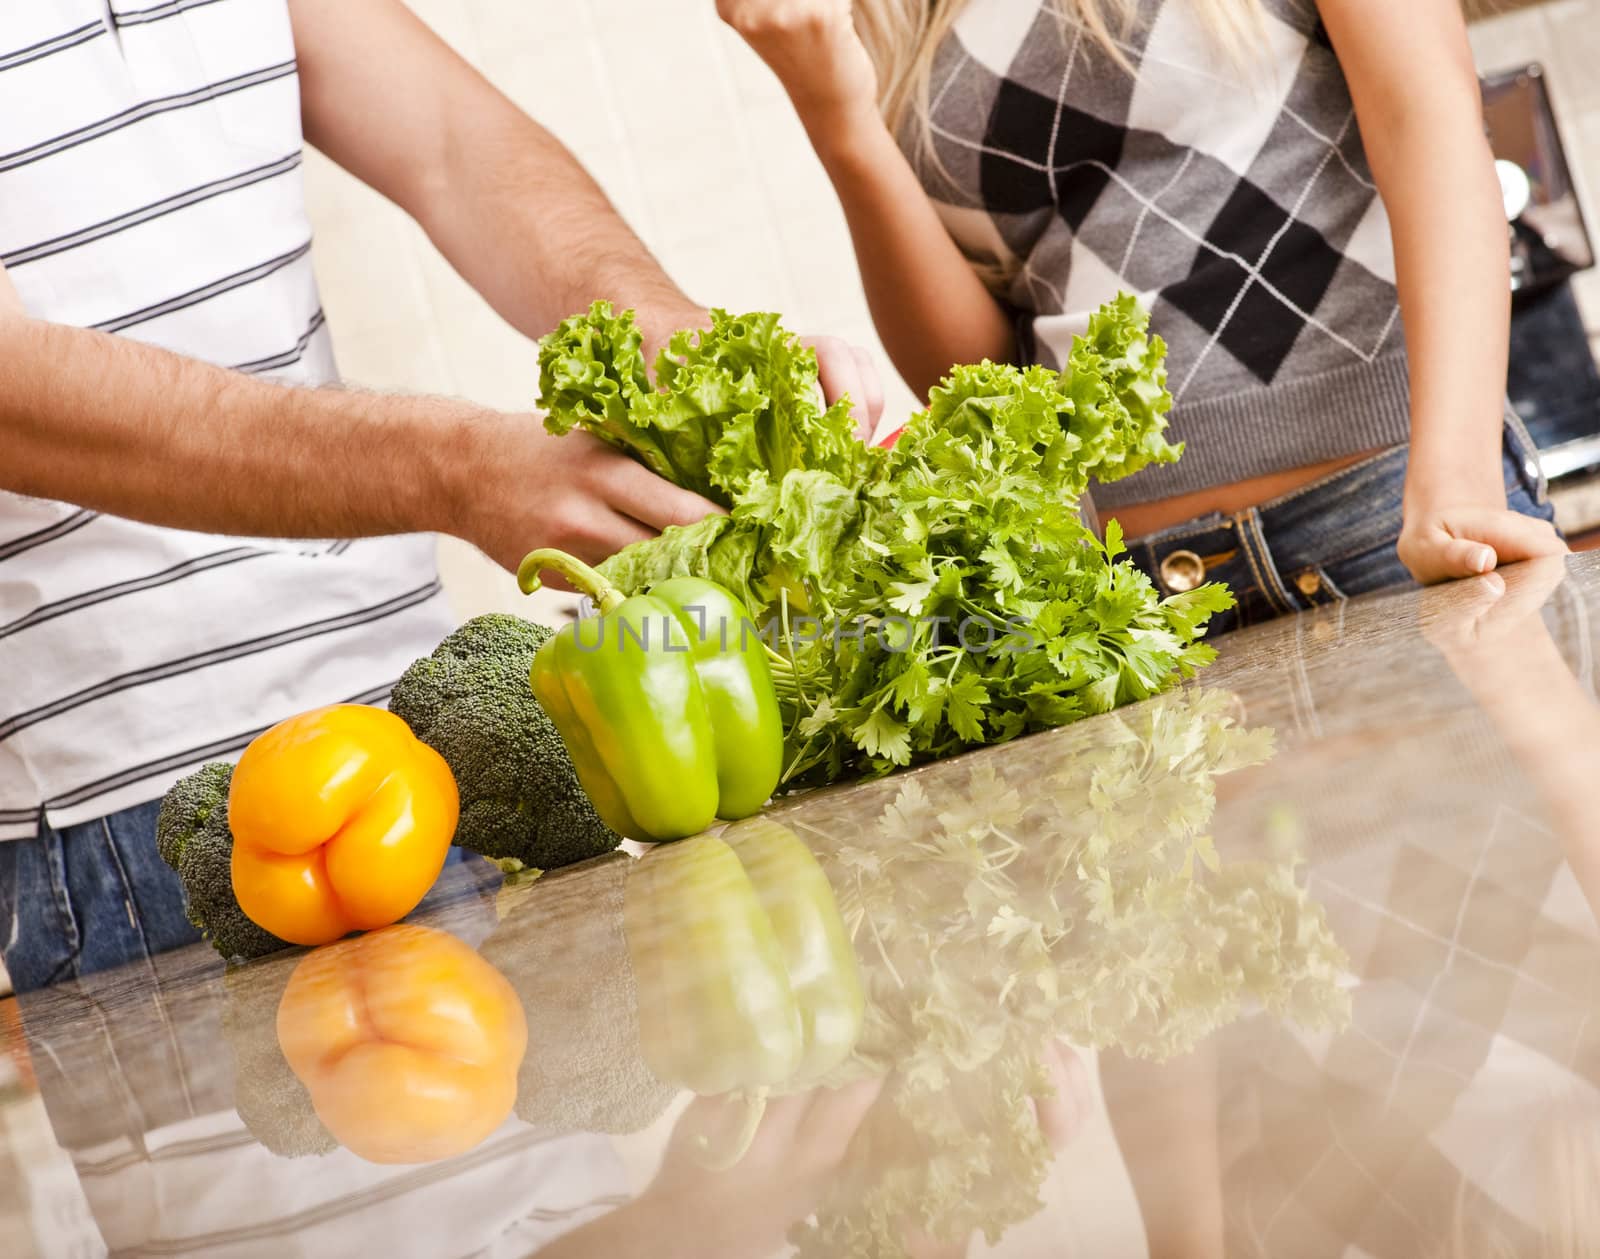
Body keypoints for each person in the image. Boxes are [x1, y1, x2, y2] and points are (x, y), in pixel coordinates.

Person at [0, 0, 881, 992]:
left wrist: (675, 348)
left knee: (561, 1138)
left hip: (424, 731)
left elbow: (456, 148)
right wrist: (459, 472)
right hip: (143, 819)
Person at [717, 0, 1568, 632]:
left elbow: (1428, 113)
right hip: (1141, 598)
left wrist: (1456, 474)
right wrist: (838, 121)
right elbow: (986, 376)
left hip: (1398, 516)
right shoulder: (897, 16)